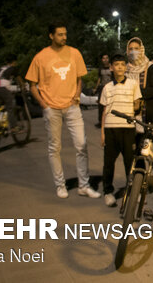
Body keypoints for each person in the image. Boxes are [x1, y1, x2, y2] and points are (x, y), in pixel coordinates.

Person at [26, 22, 101, 199]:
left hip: (72, 106)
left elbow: (79, 79)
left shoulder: (74, 53)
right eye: (60, 34)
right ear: (51, 36)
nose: (64, 37)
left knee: (81, 145)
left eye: (65, 34)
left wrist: (76, 96)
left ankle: (84, 185)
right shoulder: (41, 57)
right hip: (52, 108)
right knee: (55, 148)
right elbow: (32, 85)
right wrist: (44, 104)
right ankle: (60, 185)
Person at [99, 53, 142, 207]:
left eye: (123, 65)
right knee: (109, 163)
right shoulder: (107, 88)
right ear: (111, 67)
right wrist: (103, 133)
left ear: (126, 67)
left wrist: (136, 110)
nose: (120, 67)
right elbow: (104, 111)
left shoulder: (133, 84)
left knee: (129, 162)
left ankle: (132, 191)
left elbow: (137, 105)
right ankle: (108, 192)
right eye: (116, 65)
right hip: (111, 129)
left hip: (128, 129)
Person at [125, 37, 153, 141]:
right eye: (131, 48)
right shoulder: (125, 69)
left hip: (148, 114)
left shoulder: (149, 67)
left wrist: (137, 94)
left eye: (136, 48)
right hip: (130, 114)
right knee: (135, 148)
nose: (133, 51)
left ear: (141, 50)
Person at [0, 55, 22, 131]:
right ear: (14, 62)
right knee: (10, 106)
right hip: (3, 89)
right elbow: (19, 79)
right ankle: (13, 127)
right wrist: (23, 87)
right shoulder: (13, 68)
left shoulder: (1, 68)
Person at [94, 54, 112, 128]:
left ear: (108, 59)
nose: (105, 59)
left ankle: (109, 121)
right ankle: (100, 122)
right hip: (102, 87)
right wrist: (96, 87)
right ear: (102, 60)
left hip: (110, 88)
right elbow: (99, 78)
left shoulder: (112, 67)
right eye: (103, 58)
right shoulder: (100, 68)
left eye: (106, 58)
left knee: (110, 105)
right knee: (101, 105)